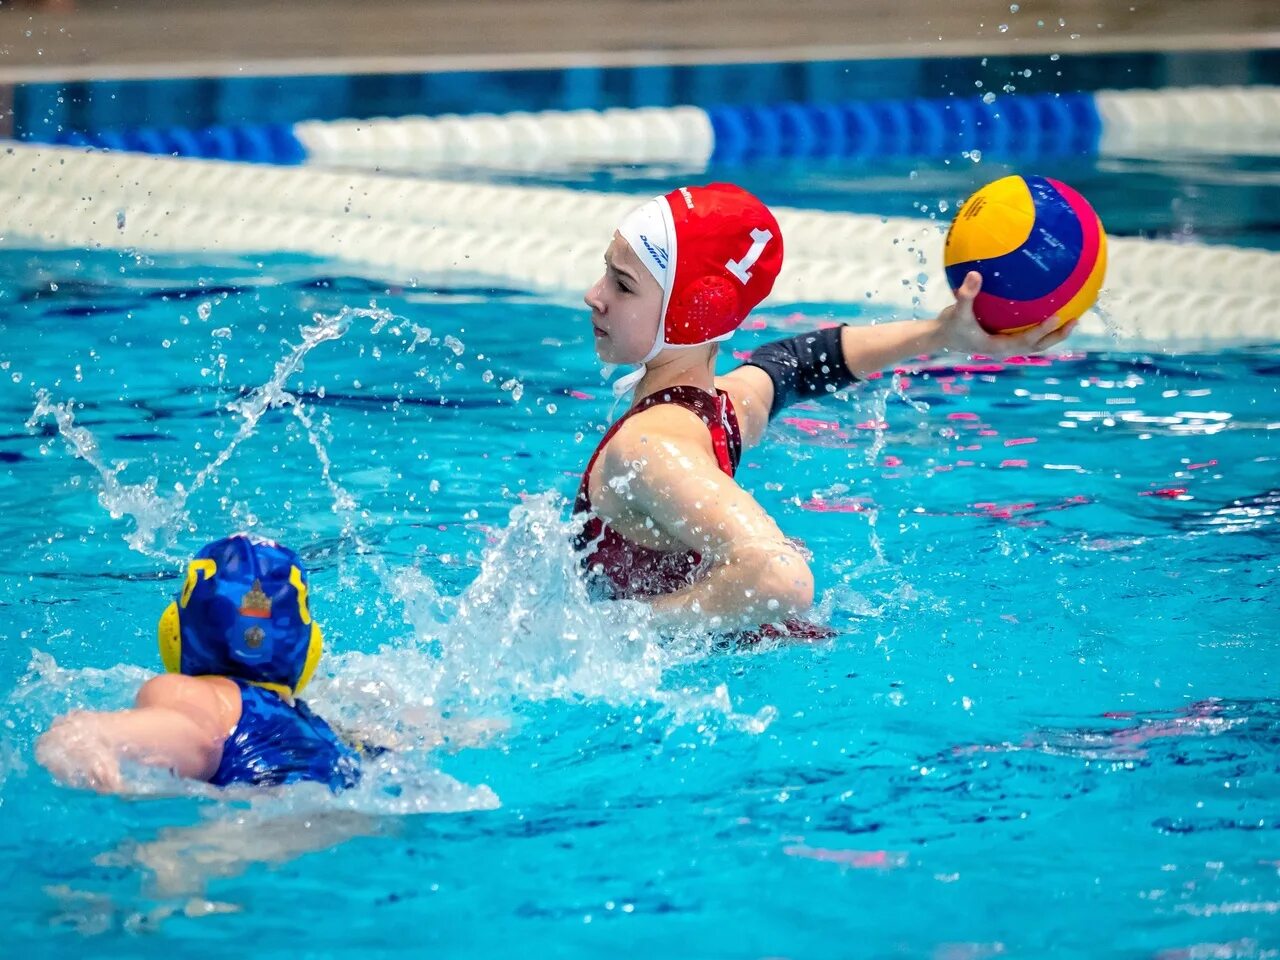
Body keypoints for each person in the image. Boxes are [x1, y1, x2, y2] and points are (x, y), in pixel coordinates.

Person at [575, 183, 1075, 634]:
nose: (594, 296)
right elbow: (796, 364)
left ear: (693, 310)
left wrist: (615, 631)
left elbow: (780, 577)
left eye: (623, 284)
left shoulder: (649, 448)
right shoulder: (722, 410)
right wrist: (940, 333)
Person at [37, 533, 363, 793]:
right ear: (308, 650)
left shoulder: (199, 694)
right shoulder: (318, 730)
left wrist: (94, 734)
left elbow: (197, 735)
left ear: (175, 631)